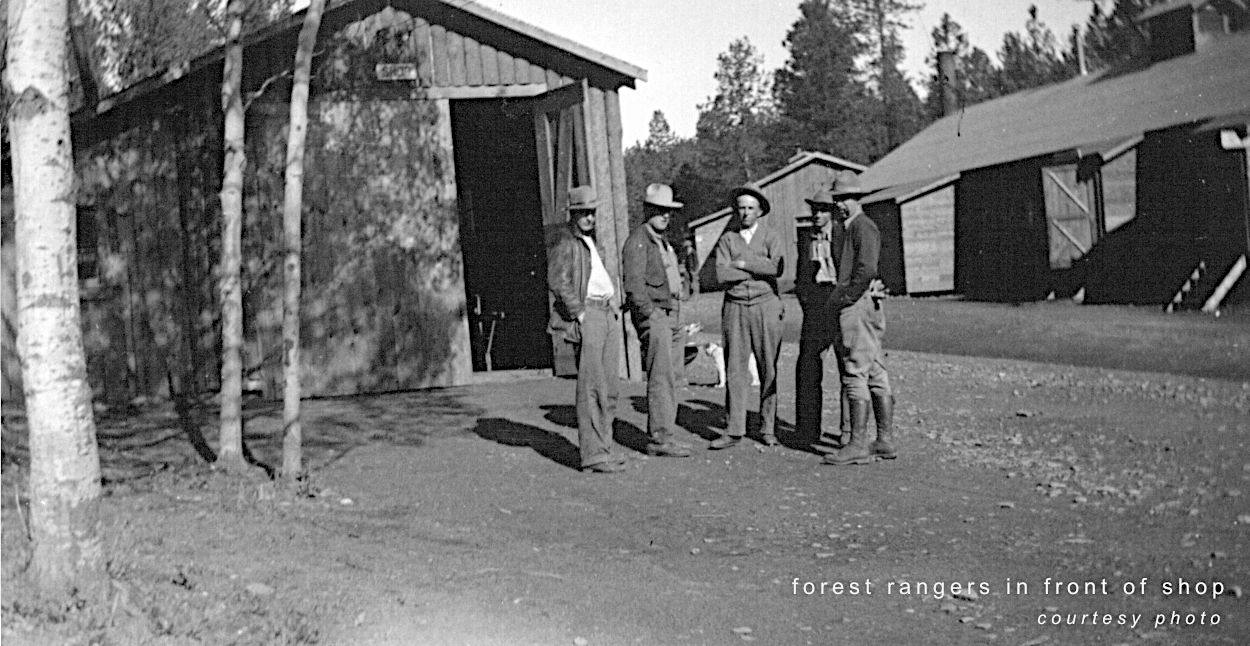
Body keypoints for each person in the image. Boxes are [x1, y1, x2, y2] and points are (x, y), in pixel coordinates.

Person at [820, 171, 897, 466]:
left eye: (844, 199)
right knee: (875, 370)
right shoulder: (855, 226)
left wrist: (846, 298)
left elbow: (866, 270)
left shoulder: (862, 226)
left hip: (858, 306)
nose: (839, 204)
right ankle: (885, 440)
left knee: (855, 371)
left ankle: (857, 444)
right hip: (865, 302)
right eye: (837, 199)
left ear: (856, 199)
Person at [547, 186, 626, 473]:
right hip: (589, 314)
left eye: (592, 212)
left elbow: (601, 278)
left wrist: (614, 303)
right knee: (591, 386)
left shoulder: (594, 243)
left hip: (606, 313)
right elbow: (557, 281)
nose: (589, 218)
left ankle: (605, 448)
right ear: (574, 215)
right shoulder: (566, 243)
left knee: (610, 386)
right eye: (583, 213)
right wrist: (579, 314)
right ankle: (592, 454)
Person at [708, 185, 785, 449]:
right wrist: (756, 269)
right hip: (735, 306)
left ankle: (768, 428)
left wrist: (742, 264)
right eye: (741, 207)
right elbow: (720, 274)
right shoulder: (728, 239)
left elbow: (776, 268)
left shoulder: (770, 236)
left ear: (760, 211)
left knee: (769, 368)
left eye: (751, 208)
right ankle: (734, 429)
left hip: (766, 306)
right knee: (735, 369)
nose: (745, 213)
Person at [622, 183, 692, 458]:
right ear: (647, 210)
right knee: (661, 377)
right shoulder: (638, 241)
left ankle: (666, 435)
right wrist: (649, 314)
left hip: (673, 311)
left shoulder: (662, 241)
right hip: (657, 315)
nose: (665, 216)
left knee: (673, 377)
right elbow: (634, 285)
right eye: (659, 211)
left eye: (668, 211)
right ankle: (660, 439)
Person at [795, 186, 849, 455]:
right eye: (814, 210)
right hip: (815, 303)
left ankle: (848, 433)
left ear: (833, 213)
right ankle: (806, 430)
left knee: (847, 368)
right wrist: (806, 301)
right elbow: (800, 277)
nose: (817, 215)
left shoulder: (843, 236)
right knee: (807, 366)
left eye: (823, 210)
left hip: (839, 302)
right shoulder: (806, 239)